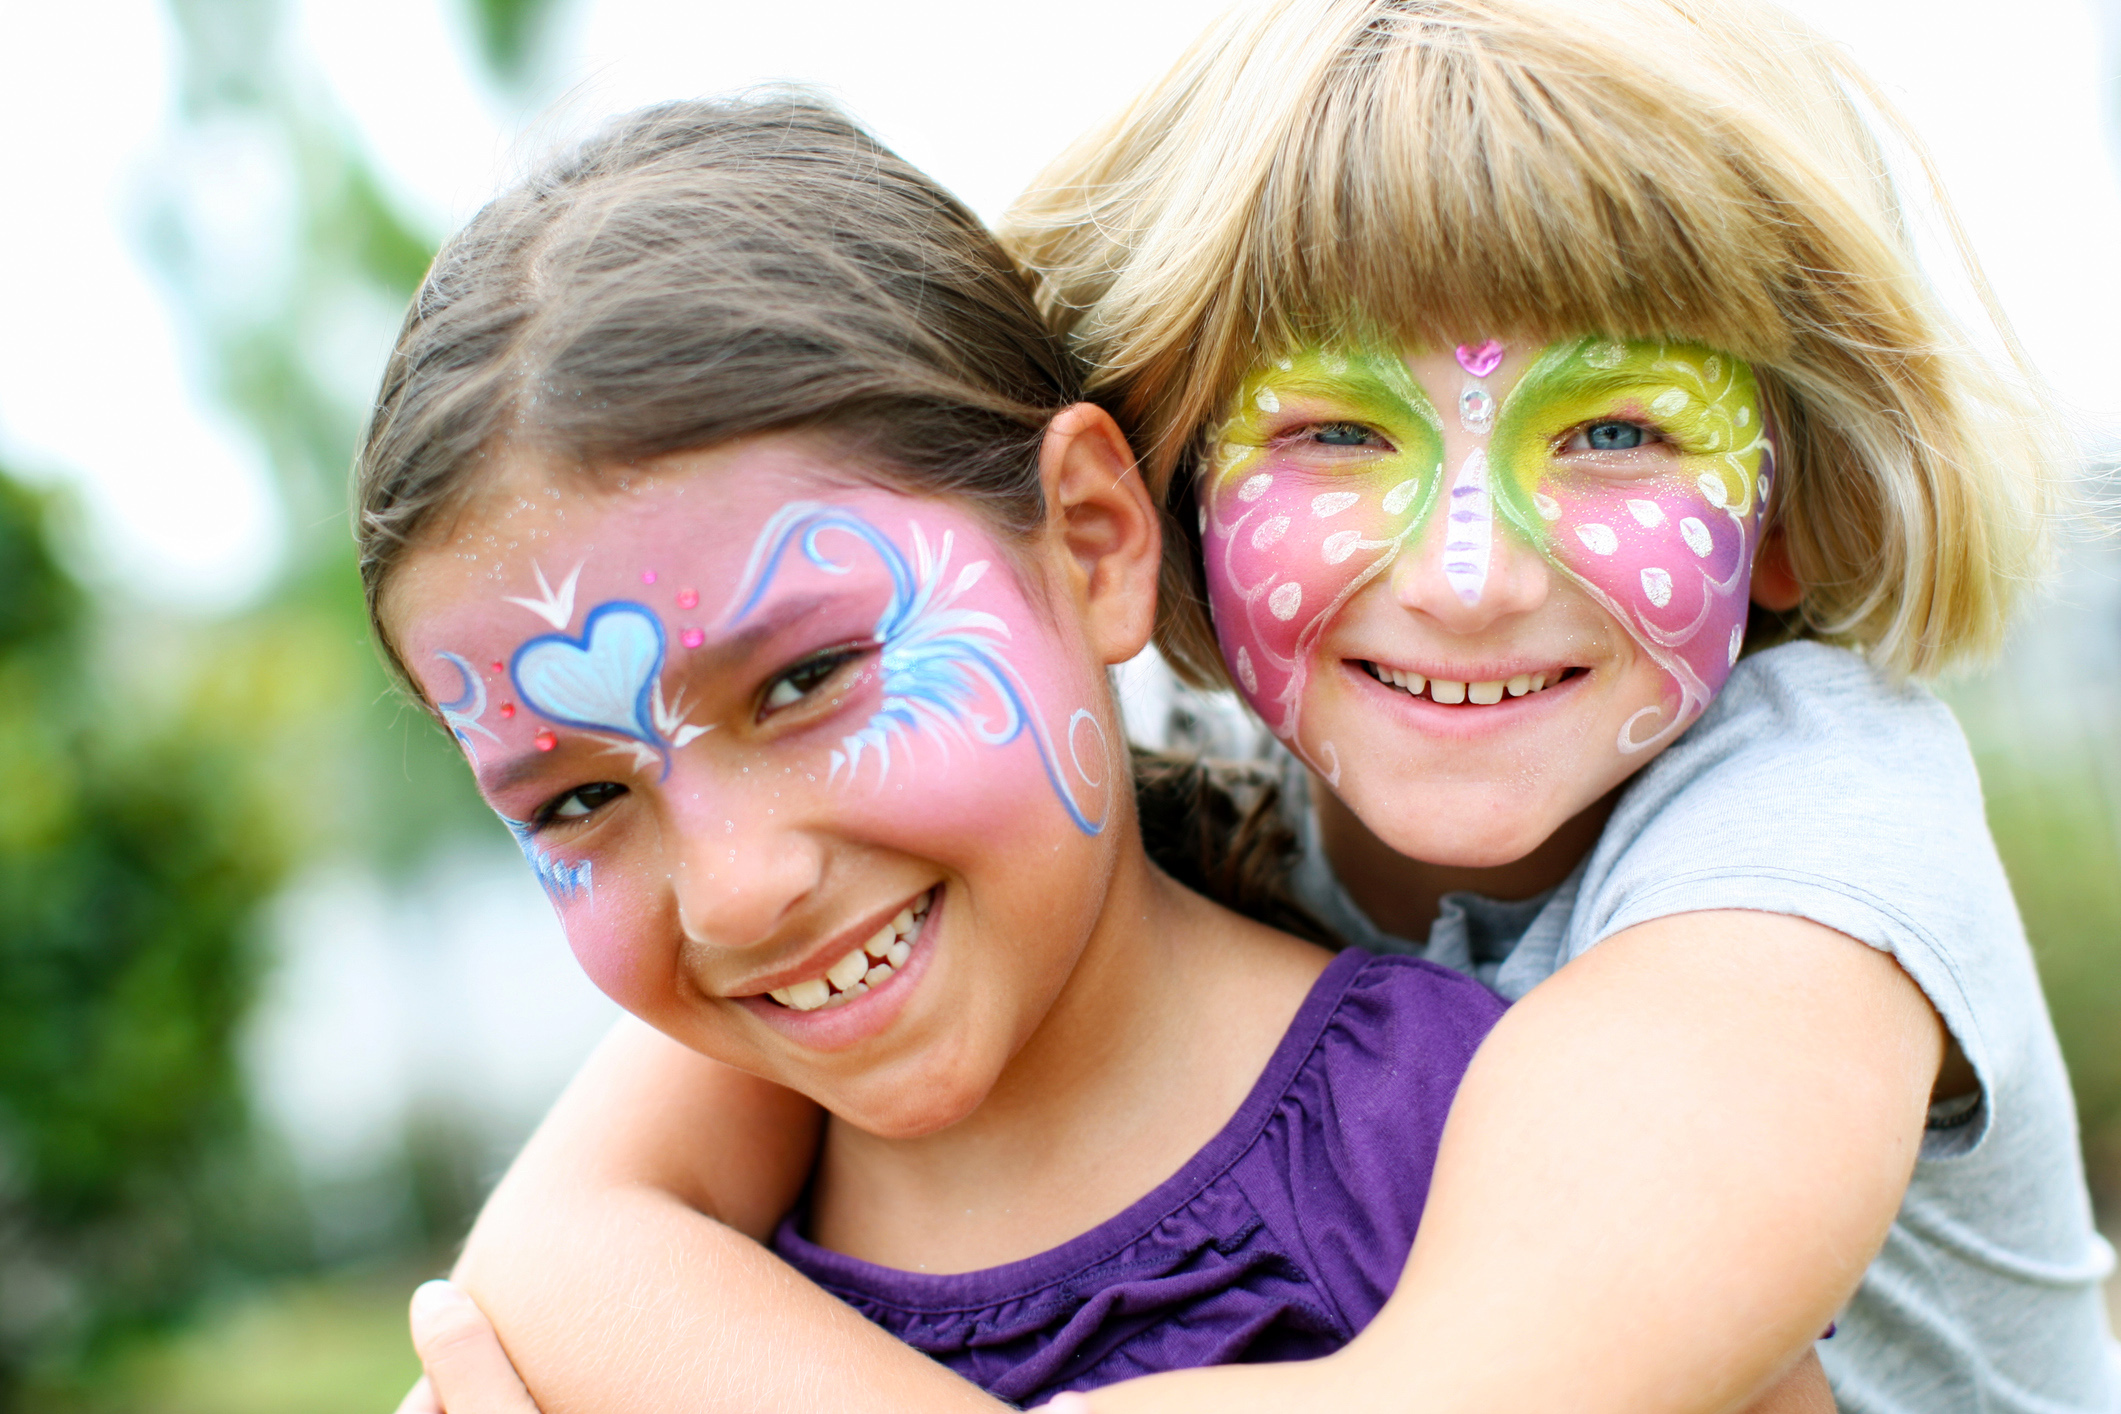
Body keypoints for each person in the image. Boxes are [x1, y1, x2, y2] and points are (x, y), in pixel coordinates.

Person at [399, 1, 2118, 1409]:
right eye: (1333, 432)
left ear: (1794, 507)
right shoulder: (1142, 809)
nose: (1465, 575)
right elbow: (563, 1246)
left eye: (1612, 432)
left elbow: (1457, 1395)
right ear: (1157, 496)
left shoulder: (1814, 835)